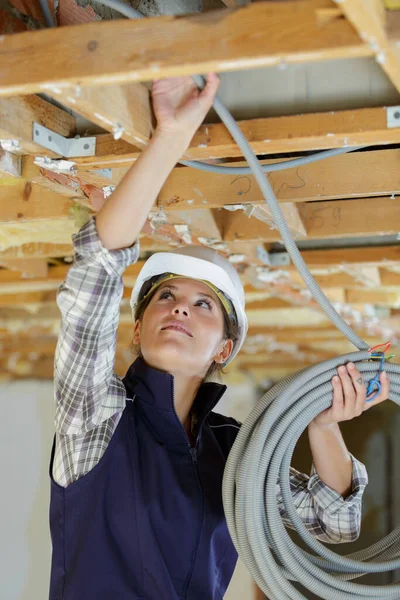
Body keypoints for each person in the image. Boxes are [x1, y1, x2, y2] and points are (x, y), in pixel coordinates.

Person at [48, 74, 389, 600]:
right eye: (165, 296)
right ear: (137, 329)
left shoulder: (235, 453)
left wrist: (323, 427)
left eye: (202, 304)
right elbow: (95, 274)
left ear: (225, 348)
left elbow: (334, 523)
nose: (179, 305)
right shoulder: (98, 417)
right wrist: (170, 136)